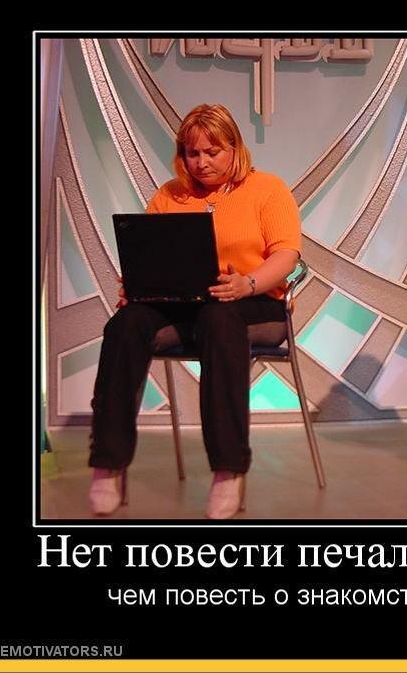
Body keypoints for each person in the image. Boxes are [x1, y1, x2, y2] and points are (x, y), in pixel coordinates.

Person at [88, 104, 301, 518]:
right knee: (125, 324)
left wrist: (247, 283)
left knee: (219, 319)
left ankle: (228, 469)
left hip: (255, 302)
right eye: (192, 153)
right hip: (186, 306)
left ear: (234, 148)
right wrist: (139, 287)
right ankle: (107, 462)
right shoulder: (170, 195)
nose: (201, 162)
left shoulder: (268, 189)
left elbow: (287, 255)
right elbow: (150, 255)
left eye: (212, 152)